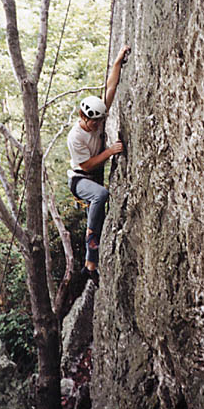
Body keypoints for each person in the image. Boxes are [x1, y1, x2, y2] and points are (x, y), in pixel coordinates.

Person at [67, 44, 129, 281]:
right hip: (80, 179)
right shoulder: (75, 137)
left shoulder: (97, 116)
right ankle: (89, 264)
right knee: (100, 196)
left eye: (100, 120)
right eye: (94, 122)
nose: (98, 125)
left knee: (100, 200)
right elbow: (86, 166)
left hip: (92, 177)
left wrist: (118, 60)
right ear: (84, 117)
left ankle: (92, 263)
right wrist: (111, 151)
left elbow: (111, 87)